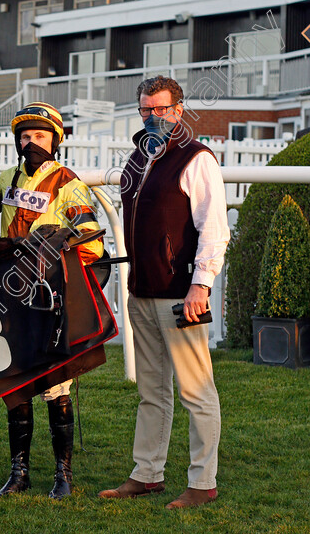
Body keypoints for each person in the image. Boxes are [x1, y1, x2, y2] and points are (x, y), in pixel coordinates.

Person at [98, 75, 229, 509]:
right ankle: (147, 473)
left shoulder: (197, 158)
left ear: (178, 109)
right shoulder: (138, 159)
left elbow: (214, 229)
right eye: (146, 109)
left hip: (180, 293)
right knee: (151, 391)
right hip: (141, 291)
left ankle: (203, 481)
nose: (153, 116)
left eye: (161, 108)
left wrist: (200, 286)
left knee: (196, 391)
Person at [0, 101, 104, 500]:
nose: (30, 142)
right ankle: (18, 474)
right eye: (25, 136)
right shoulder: (5, 179)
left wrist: (52, 252)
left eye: (39, 136)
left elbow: (91, 239)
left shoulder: (67, 182)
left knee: (57, 388)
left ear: (55, 140)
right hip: (12, 297)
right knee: (16, 385)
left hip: (52, 299)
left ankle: (63, 474)